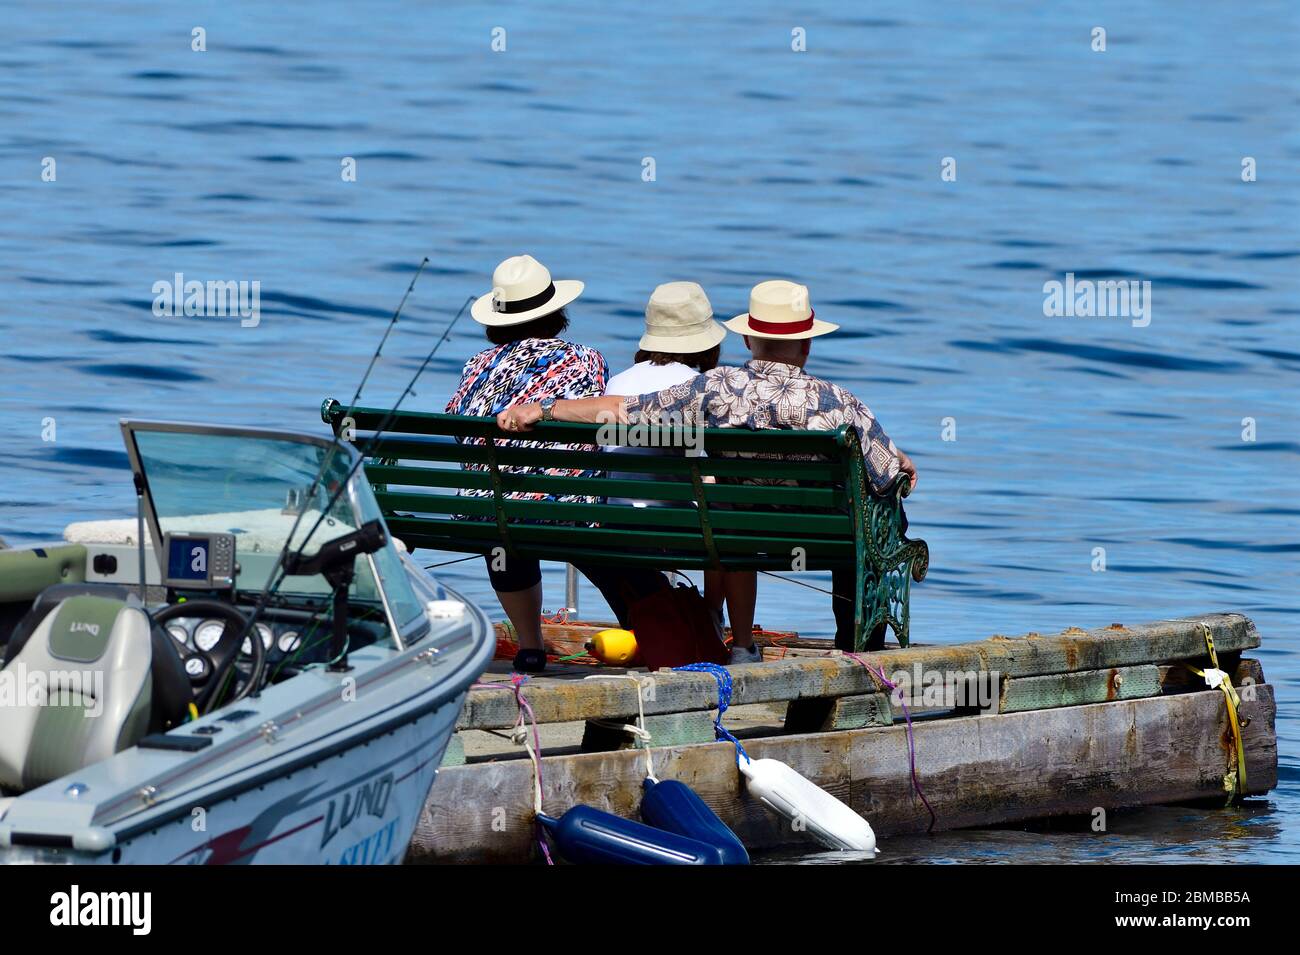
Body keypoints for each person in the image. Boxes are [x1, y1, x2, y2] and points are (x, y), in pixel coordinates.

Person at [497, 279, 918, 652]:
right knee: (877, 527)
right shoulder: (841, 403)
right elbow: (888, 477)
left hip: (741, 536)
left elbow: (622, 411)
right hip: (828, 543)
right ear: (807, 345)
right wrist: (900, 460)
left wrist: (546, 409)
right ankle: (857, 648)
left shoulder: (713, 389)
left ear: (749, 341)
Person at [446, 254, 667, 672]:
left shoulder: (476, 366)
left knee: (507, 521)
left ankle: (531, 645)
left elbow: (460, 426)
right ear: (556, 311)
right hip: (565, 513)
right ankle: (654, 638)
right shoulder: (585, 359)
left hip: (486, 512)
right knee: (595, 525)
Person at [603, 282, 758, 664]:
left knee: (712, 509)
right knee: (727, 517)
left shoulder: (618, 382)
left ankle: (701, 616)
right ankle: (738, 644)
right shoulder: (699, 386)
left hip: (615, 527)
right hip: (678, 531)